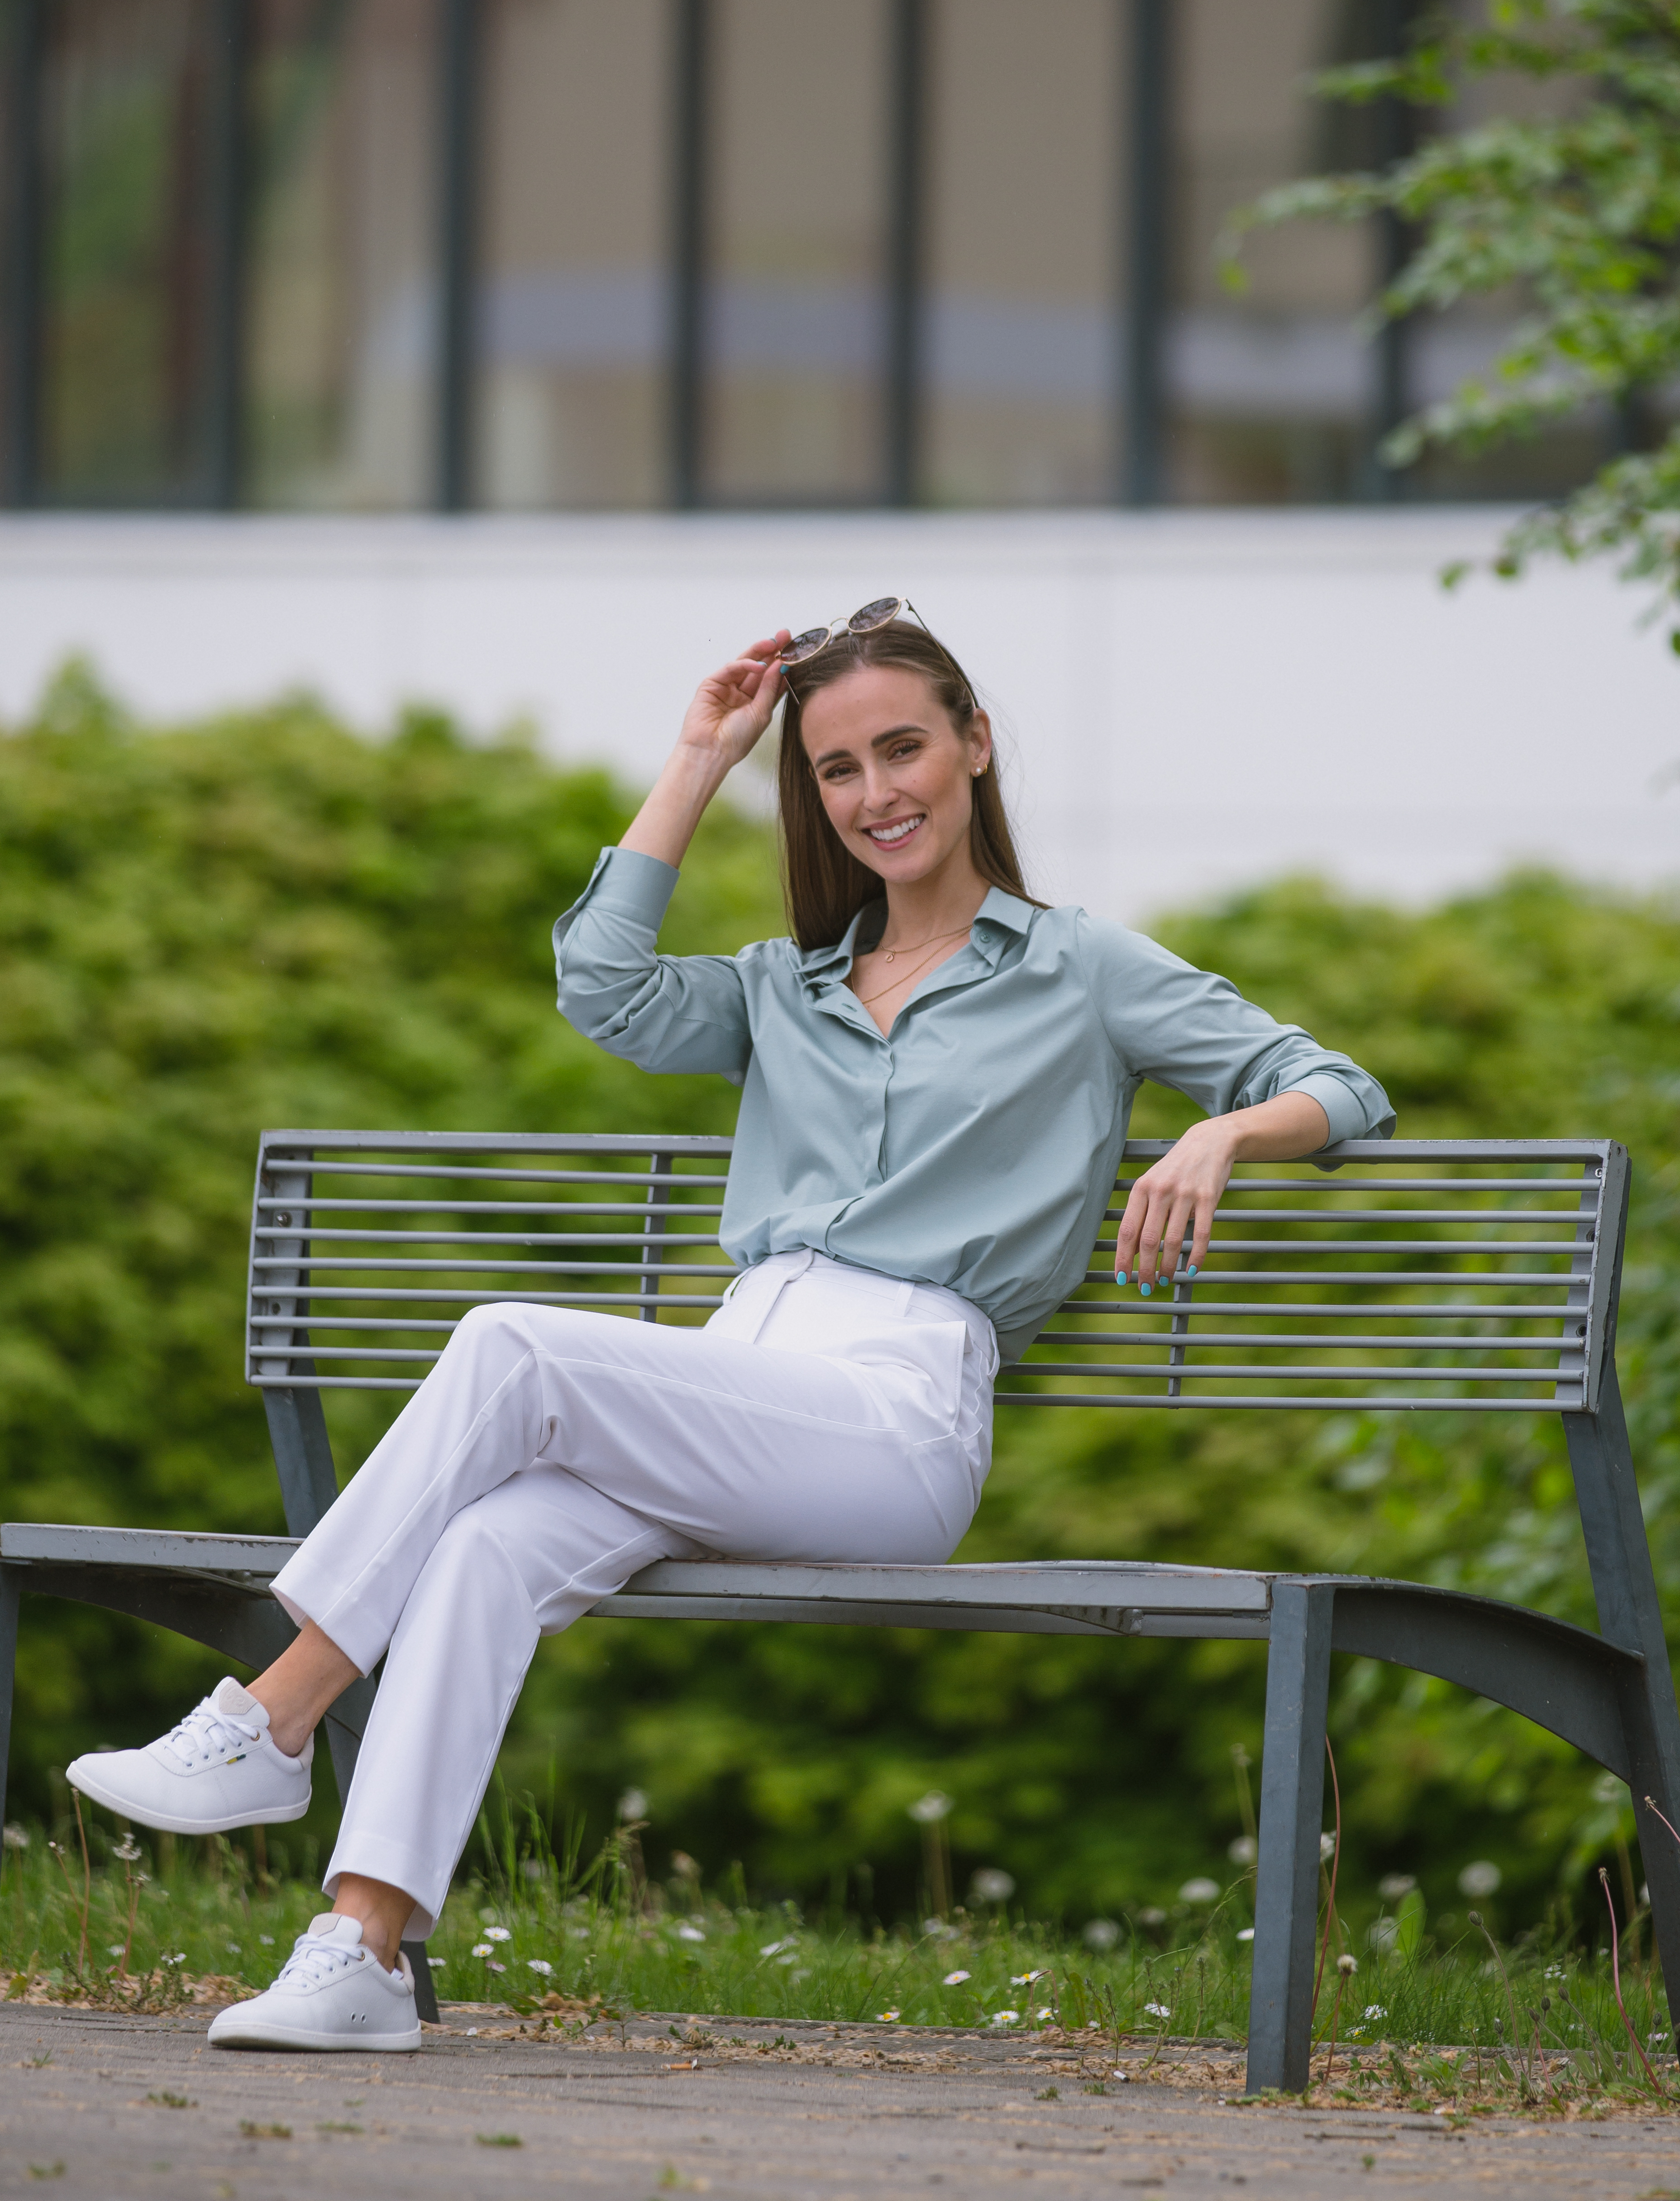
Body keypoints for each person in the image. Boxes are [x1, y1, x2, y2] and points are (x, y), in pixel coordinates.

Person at [66, 601, 1393, 2053]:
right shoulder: (786, 988)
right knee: (487, 1545)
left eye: (904, 749)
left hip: (891, 1420)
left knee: (514, 1345)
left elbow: (1334, 1082)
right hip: (733, 1384)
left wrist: (1217, 1139)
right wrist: (701, 757)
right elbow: (605, 987)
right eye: (837, 770)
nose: (878, 794)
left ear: (975, 747)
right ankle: (363, 1949)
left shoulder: (1080, 969)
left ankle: (277, 1714)